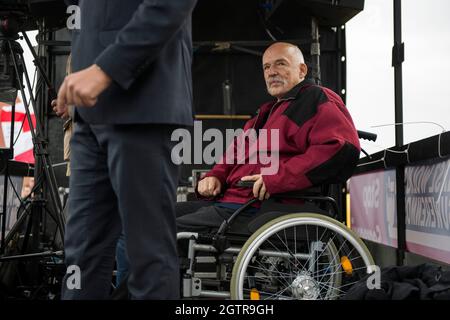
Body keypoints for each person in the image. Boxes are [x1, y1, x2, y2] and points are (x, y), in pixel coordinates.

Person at [55, 0, 197, 299]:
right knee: (81, 252)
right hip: (89, 114)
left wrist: (105, 69)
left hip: (143, 105)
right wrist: (78, 77)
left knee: (147, 257)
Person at [176, 42, 361, 233]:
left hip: (261, 207)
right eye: (266, 67)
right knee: (162, 215)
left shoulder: (315, 99)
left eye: (280, 63)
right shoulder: (263, 114)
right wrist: (215, 176)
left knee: (164, 231)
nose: (271, 72)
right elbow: (233, 155)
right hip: (231, 202)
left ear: (302, 70)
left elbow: (339, 148)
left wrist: (276, 178)